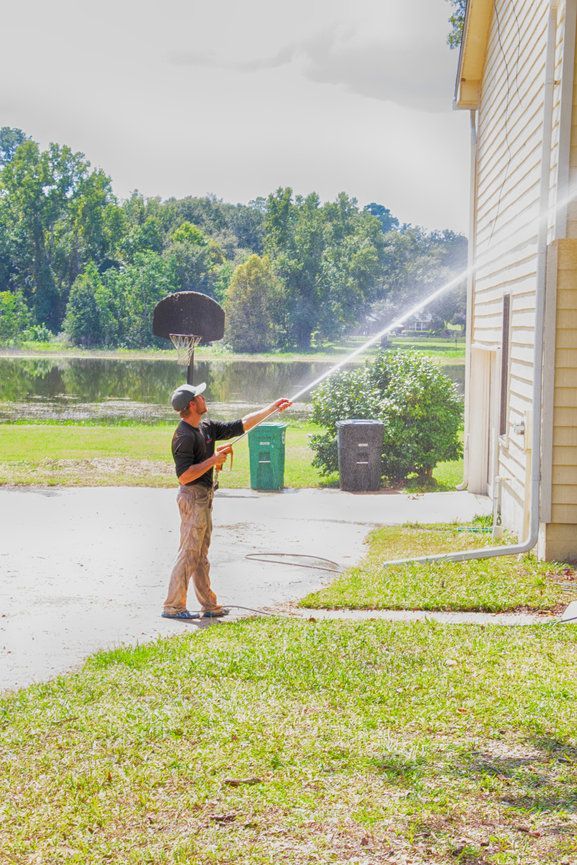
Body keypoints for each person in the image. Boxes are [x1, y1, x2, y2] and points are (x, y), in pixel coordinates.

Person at [162, 383, 292, 621]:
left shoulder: (206, 427)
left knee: (201, 554)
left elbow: (241, 424)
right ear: (191, 404)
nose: (204, 398)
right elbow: (184, 476)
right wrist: (212, 460)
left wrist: (271, 408)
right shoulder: (183, 436)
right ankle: (173, 606)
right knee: (189, 552)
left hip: (204, 497)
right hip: (192, 498)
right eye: (199, 396)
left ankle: (209, 605)